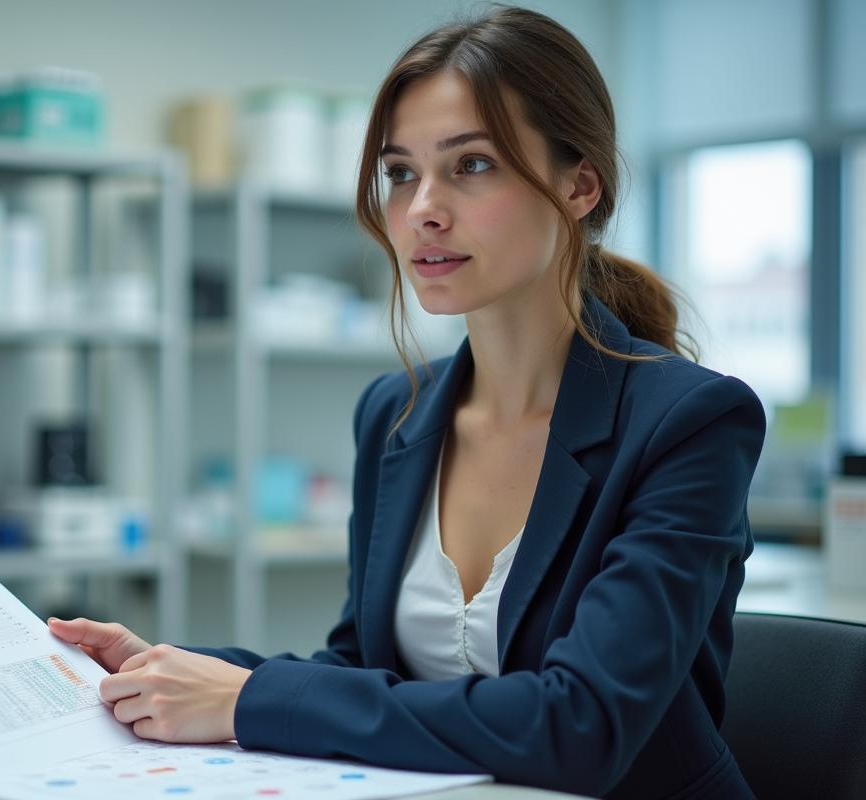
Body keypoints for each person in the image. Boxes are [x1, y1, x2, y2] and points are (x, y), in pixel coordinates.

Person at [49, 7, 766, 799]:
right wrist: (178, 672)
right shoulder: (395, 413)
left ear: (579, 184)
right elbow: (363, 674)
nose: (423, 206)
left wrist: (249, 701)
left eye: (473, 165)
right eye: (399, 172)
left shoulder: (689, 422)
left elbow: (581, 725)